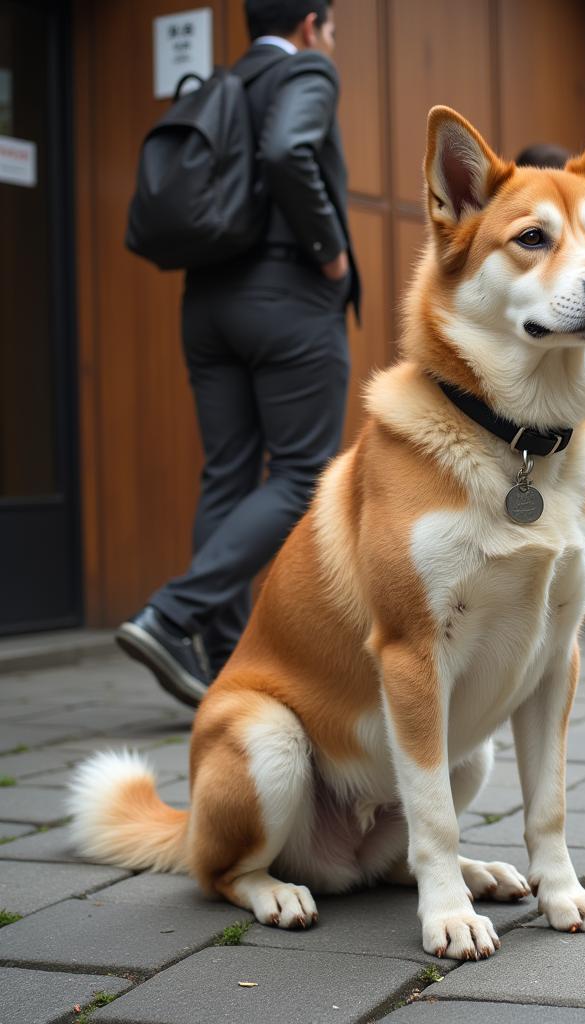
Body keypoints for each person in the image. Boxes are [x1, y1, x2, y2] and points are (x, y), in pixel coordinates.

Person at [116, 0, 360, 707]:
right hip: (287, 295)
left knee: (226, 474)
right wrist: (332, 253)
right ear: (312, 24)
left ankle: (220, 658)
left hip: (208, 304)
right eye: (334, 31)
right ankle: (172, 614)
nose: (332, 44)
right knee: (302, 474)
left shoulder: (225, 80)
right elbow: (289, 149)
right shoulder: (306, 69)